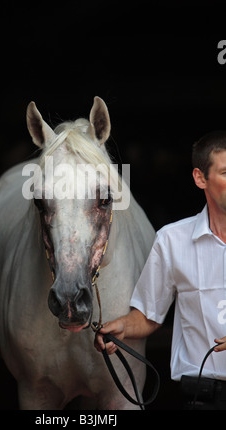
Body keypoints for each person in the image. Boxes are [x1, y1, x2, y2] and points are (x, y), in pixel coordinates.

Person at [95, 131, 226, 410]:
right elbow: (148, 316)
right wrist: (123, 327)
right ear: (200, 178)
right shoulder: (171, 240)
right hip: (203, 395)